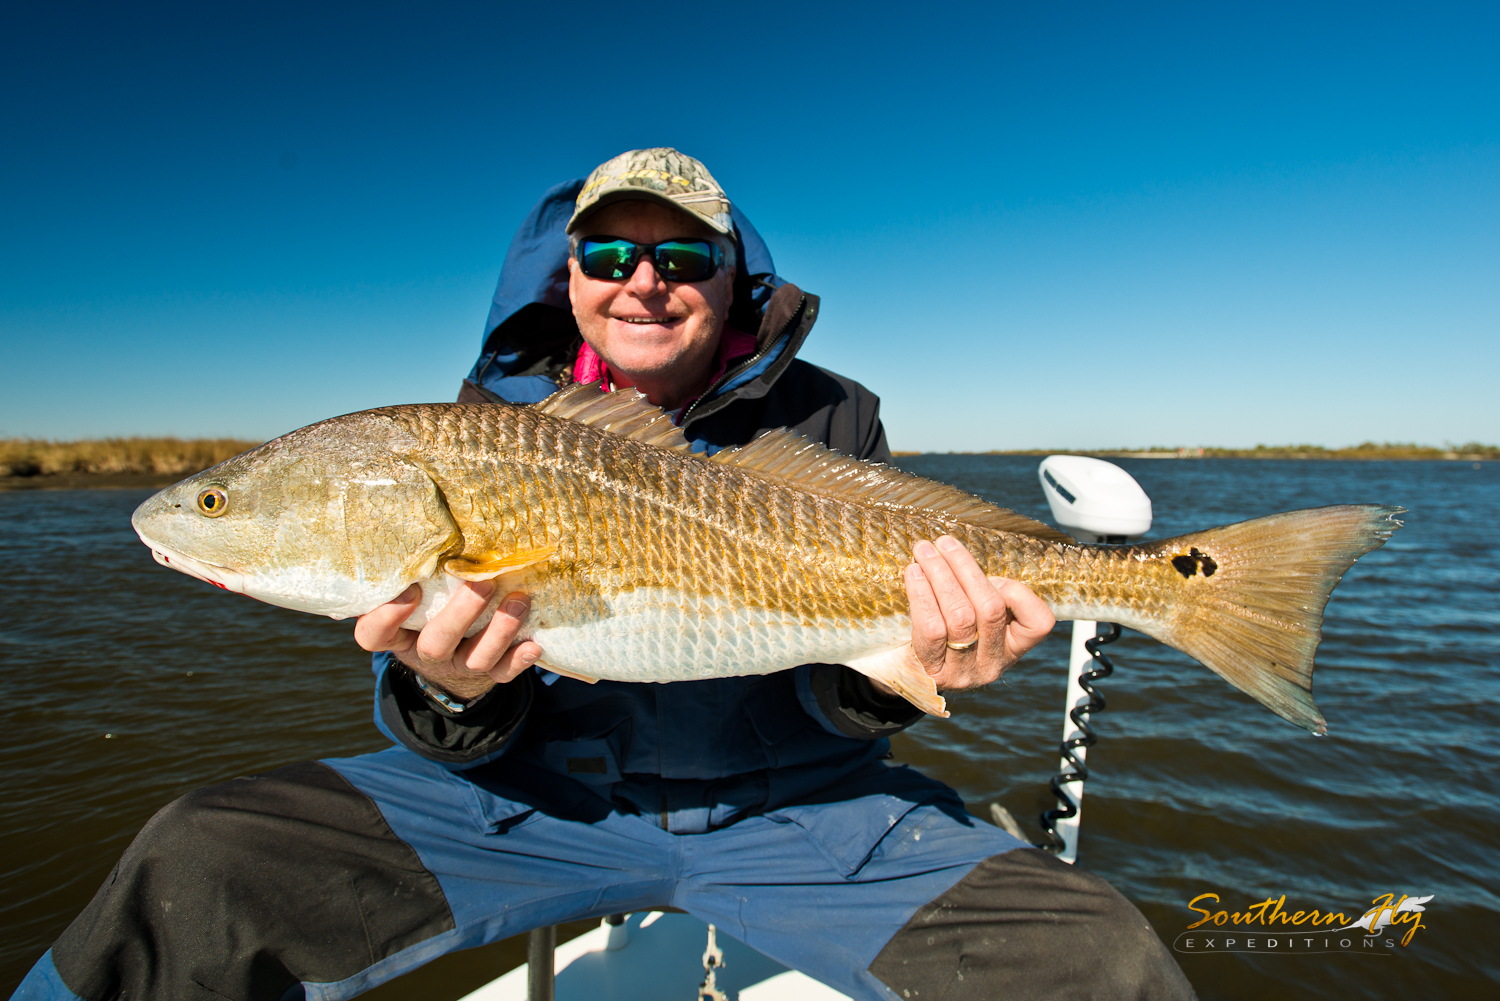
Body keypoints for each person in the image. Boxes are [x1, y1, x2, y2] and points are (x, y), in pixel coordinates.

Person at [15, 149, 1194, 1001]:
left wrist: (906, 672)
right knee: (197, 859)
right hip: (531, 805)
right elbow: (446, 716)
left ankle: (1191, 589)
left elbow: (846, 676)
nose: (644, 279)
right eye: (610, 252)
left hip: (806, 812)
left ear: (734, 278)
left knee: (1097, 956)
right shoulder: (481, 429)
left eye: (682, 254)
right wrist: (451, 693)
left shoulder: (831, 422)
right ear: (567, 273)